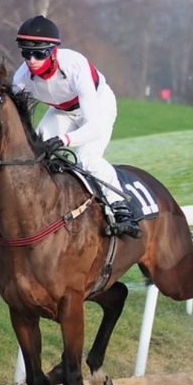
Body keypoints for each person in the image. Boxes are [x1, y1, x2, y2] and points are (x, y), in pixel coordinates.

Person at [11, 14, 140, 238]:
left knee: (87, 159)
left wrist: (64, 140)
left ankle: (122, 210)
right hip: (62, 110)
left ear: (53, 52)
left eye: (39, 53)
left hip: (97, 106)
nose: (31, 60)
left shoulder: (75, 65)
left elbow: (94, 128)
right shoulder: (21, 79)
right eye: (26, 53)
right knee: (33, 156)